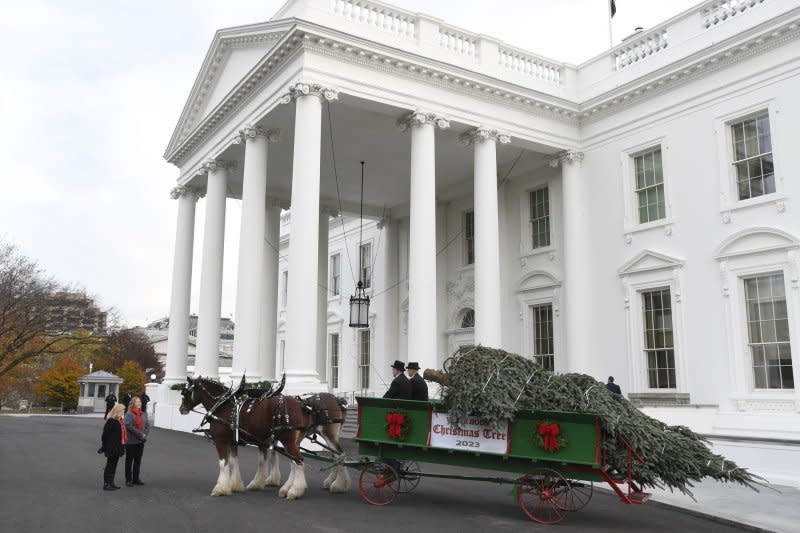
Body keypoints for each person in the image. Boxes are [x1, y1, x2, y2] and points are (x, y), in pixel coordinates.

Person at [123, 396, 150, 486]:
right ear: (133, 403)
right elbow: (128, 426)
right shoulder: (129, 414)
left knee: (138, 461)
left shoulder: (143, 413)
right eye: (137, 402)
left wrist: (145, 434)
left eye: (140, 402)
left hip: (140, 441)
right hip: (131, 441)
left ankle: (136, 478)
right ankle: (128, 480)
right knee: (129, 461)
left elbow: (147, 425)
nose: (139, 403)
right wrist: (140, 434)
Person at [100, 403, 127, 491]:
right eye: (122, 410)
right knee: (110, 465)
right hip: (111, 447)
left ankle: (111, 482)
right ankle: (106, 484)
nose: (124, 411)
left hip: (118, 446)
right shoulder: (111, 421)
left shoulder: (120, 421)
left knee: (114, 465)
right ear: (118, 411)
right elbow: (105, 435)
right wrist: (105, 446)